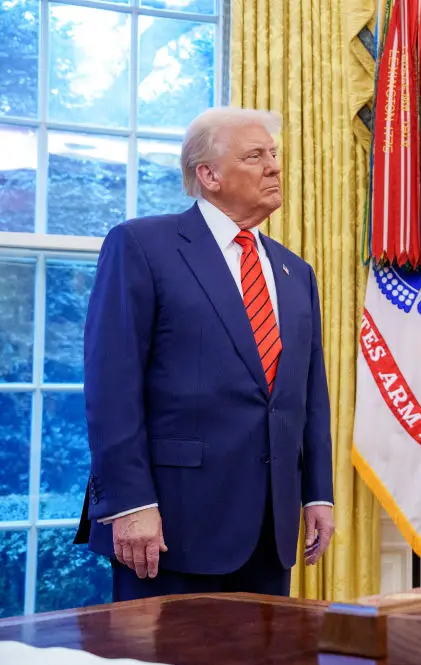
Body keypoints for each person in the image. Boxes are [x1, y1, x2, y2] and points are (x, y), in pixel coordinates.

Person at [73, 106, 336, 601]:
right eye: (255, 155)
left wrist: (317, 493)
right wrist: (130, 504)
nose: (274, 167)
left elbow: (308, 394)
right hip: (171, 525)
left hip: (270, 529)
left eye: (274, 154)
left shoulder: (295, 272)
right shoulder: (142, 245)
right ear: (208, 175)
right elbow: (112, 387)